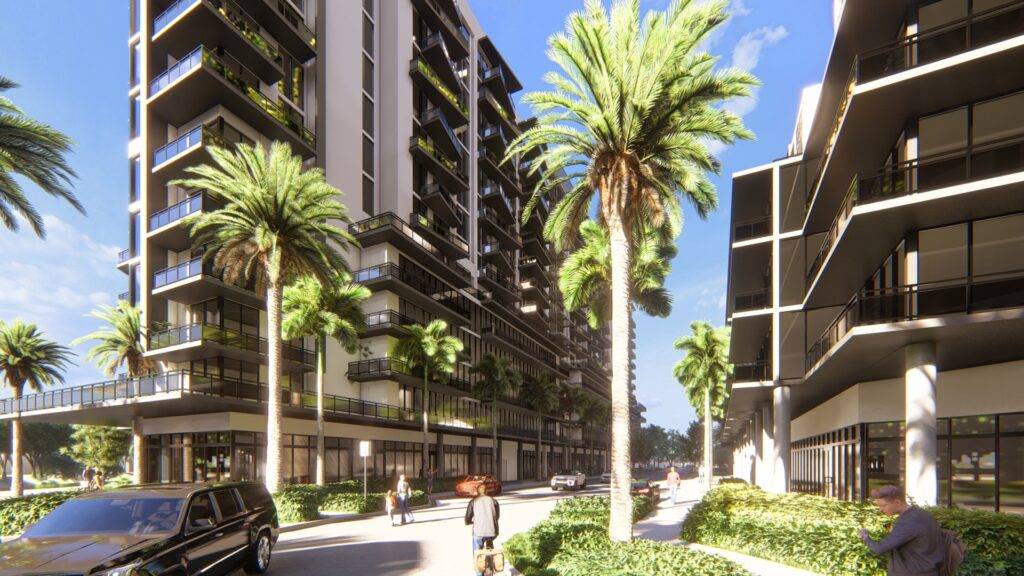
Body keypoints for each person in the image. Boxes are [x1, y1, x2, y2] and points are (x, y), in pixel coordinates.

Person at [859, 485, 944, 576]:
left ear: (897, 502)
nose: (881, 509)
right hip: (926, 570)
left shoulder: (908, 521)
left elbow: (880, 548)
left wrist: (866, 537)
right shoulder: (921, 514)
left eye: (883, 505)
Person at [465, 483, 500, 576]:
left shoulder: (473, 502)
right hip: (492, 532)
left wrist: (470, 522)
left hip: (478, 533)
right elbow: (497, 516)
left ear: (477, 492)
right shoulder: (494, 501)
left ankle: (479, 573)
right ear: (486, 491)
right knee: (490, 545)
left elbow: (467, 519)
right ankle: (491, 564)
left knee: (477, 554)